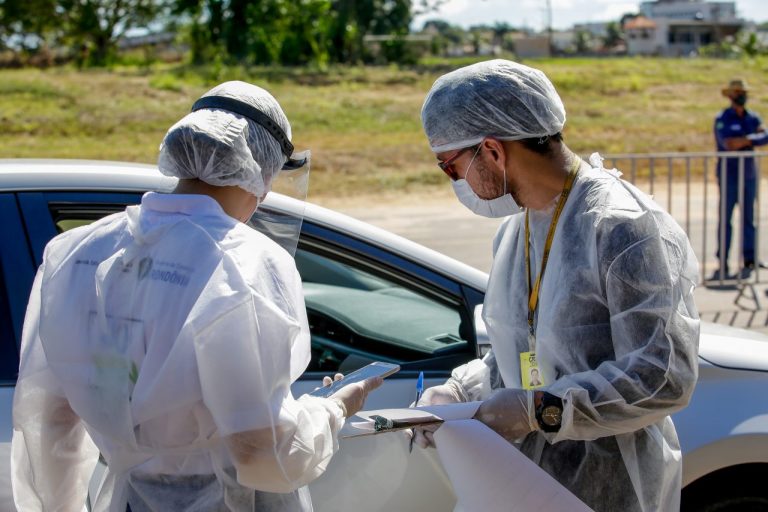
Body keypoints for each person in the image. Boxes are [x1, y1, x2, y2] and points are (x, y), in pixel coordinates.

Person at [11, 80, 381, 512]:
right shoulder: (247, 263)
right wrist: (333, 411)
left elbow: (50, 420)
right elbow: (260, 449)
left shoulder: (76, 252)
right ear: (261, 171)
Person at [411, 60, 700, 512]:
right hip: (526, 484)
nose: (455, 181)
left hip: (610, 487)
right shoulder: (518, 230)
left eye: (450, 166)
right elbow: (527, 350)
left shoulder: (623, 228)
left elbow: (662, 375)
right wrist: (460, 392)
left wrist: (541, 410)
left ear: (492, 151)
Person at [712, 78, 768, 280]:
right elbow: (728, 143)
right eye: (738, 92)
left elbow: (766, 136)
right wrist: (752, 139)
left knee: (748, 219)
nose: (742, 95)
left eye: (743, 92)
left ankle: (750, 258)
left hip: (749, 174)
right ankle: (723, 261)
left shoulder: (753, 117)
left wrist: (745, 140)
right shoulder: (723, 118)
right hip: (729, 175)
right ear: (730, 95)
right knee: (725, 219)